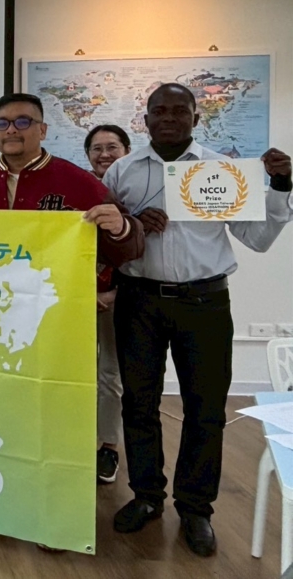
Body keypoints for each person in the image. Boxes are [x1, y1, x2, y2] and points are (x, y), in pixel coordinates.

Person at [104, 83, 292, 558]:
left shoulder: (222, 170)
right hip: (139, 301)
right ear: (145, 119)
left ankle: (195, 508)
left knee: (205, 409)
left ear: (196, 117)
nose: (168, 118)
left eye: (179, 110)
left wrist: (281, 187)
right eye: (159, 111)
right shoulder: (122, 171)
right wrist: (133, 224)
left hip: (204, 303)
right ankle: (147, 496)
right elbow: (105, 237)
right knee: (138, 404)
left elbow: (257, 238)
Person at [0, 94, 142, 258]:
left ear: (42, 131)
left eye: (22, 122)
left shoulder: (79, 181)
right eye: (2, 123)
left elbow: (129, 249)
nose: (11, 130)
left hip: (58, 284)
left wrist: (121, 228)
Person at [83, 124, 132, 486]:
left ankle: (109, 447)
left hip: (119, 297)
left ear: (127, 150)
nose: (104, 154)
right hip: (76, 298)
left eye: (112, 147)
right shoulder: (80, 189)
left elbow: (143, 249)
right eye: (96, 148)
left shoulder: (136, 191)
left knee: (110, 374)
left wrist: (115, 293)